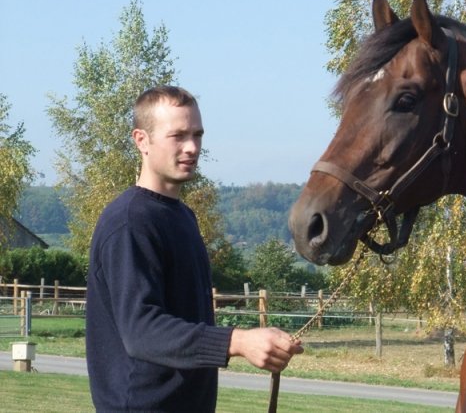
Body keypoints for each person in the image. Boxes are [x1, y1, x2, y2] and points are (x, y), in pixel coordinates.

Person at [85, 85, 303, 412]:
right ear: (141, 140)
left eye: (197, 135)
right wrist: (239, 341)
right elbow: (141, 330)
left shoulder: (182, 216)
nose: (191, 147)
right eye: (178, 136)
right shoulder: (130, 222)